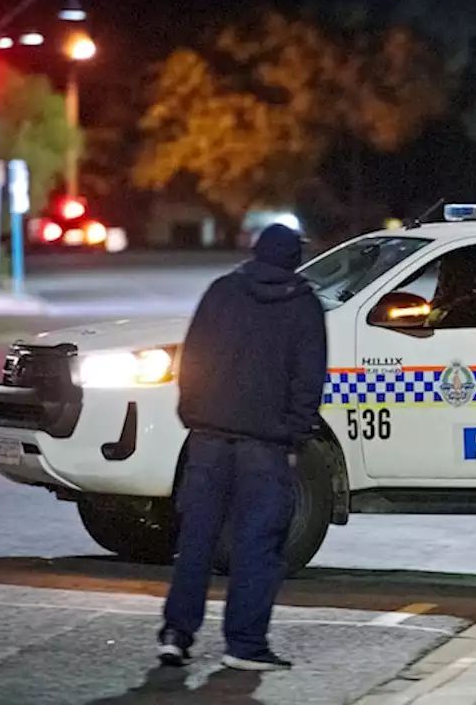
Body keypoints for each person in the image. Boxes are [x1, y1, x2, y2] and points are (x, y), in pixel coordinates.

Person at [158, 223, 328, 670]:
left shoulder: (221, 291)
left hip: (208, 440)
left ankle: (177, 633)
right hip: (265, 446)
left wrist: (193, 414)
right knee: (257, 545)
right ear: (293, 258)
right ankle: (245, 645)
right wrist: (295, 434)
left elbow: (192, 358)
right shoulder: (304, 304)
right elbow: (308, 380)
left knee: (196, 540)